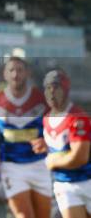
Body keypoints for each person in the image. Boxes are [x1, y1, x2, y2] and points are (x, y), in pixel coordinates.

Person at [0, 57, 51, 218]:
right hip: (10, 166)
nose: (15, 74)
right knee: (23, 215)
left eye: (20, 70)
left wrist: (46, 141)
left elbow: (54, 129)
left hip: (40, 164)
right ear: (4, 74)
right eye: (11, 70)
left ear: (27, 73)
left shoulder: (42, 99)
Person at [42, 70, 91, 218]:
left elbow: (80, 157)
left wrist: (52, 161)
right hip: (64, 185)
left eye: (56, 87)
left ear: (65, 89)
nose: (51, 92)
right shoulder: (46, 119)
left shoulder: (77, 117)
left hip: (87, 181)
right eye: (48, 87)